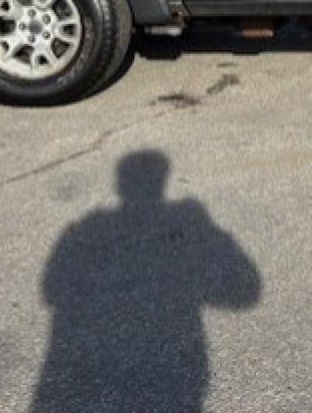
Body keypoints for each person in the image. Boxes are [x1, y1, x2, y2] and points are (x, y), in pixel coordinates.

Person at [31, 150, 259, 412]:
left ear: (118, 185)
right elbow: (245, 293)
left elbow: (51, 289)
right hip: (176, 377)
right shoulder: (188, 219)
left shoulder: (86, 227)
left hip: (69, 375)